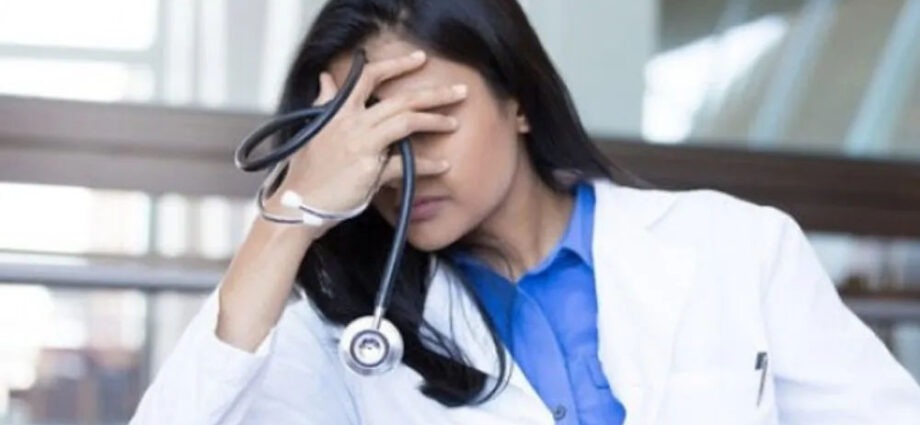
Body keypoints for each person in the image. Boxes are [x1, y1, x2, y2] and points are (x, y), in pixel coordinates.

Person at [129, 1, 920, 424]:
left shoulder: (735, 245)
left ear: (520, 103)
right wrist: (289, 216)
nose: (403, 168)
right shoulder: (344, 332)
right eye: (373, 141)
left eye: (430, 125)